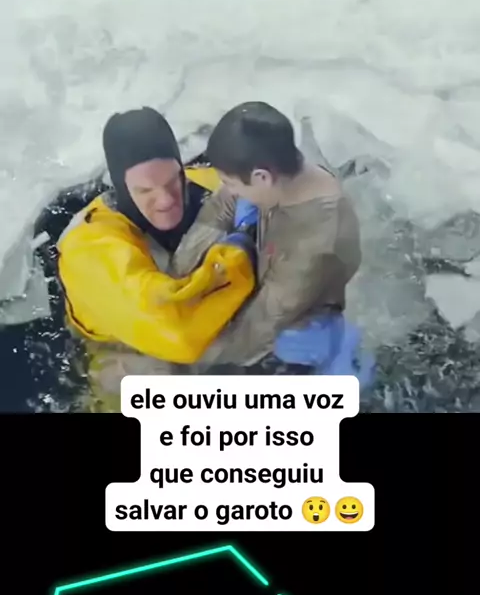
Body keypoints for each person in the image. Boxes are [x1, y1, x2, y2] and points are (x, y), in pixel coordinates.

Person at [57, 107, 256, 410]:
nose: (165, 199)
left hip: (209, 322)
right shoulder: (90, 249)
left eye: (173, 179)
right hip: (130, 348)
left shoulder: (209, 186)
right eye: (145, 190)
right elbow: (178, 335)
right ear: (122, 188)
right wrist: (241, 253)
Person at [199, 101, 373, 382]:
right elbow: (218, 208)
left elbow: (261, 324)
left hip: (300, 325)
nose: (229, 190)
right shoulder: (283, 172)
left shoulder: (315, 241)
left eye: (231, 183)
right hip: (276, 275)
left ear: (262, 177)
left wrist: (188, 356)